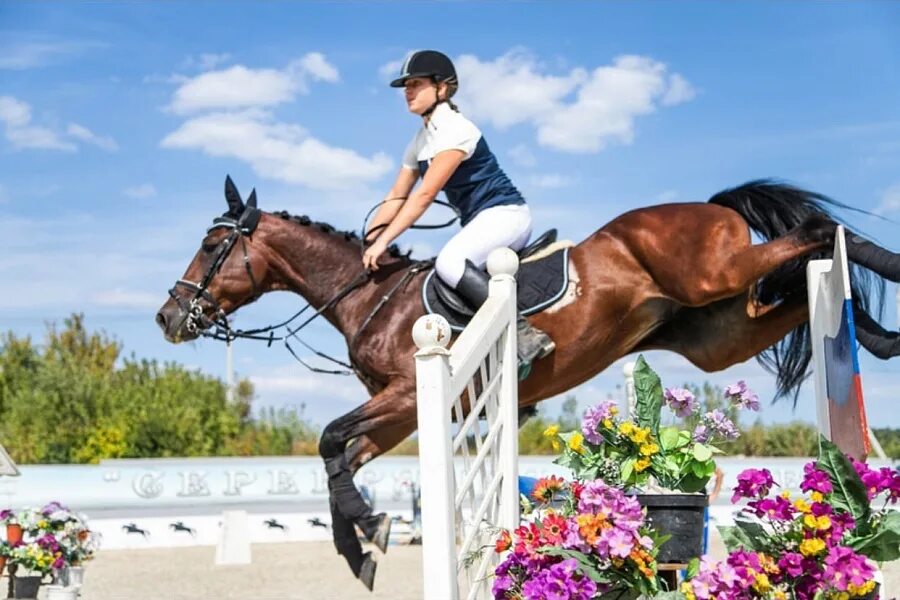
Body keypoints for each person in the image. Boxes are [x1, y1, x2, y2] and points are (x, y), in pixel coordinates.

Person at [362, 49, 555, 368]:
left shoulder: (456, 129)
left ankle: (523, 334)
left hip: (507, 214)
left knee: (450, 262)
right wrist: (370, 237)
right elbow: (397, 195)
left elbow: (423, 197)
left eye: (416, 83)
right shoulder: (420, 140)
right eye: (406, 85)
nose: (408, 91)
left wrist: (385, 242)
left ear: (442, 87)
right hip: (482, 220)